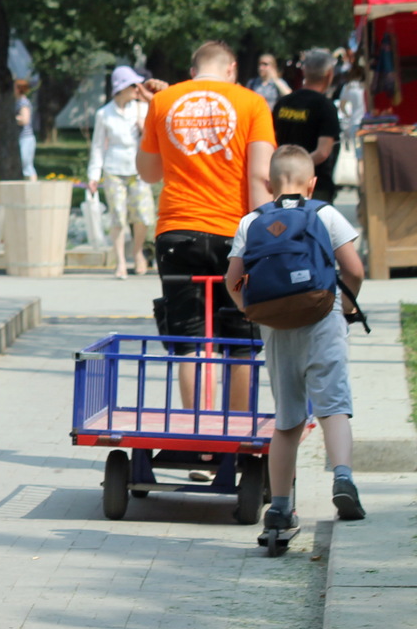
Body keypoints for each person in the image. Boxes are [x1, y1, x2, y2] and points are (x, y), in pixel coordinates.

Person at [224, 145, 366, 528]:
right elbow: (354, 269)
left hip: (275, 325)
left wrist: (250, 309)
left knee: (288, 420)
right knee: (333, 406)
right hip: (323, 317)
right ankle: (343, 478)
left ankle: (281, 507)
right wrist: (347, 306)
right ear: (313, 182)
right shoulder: (325, 213)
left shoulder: (251, 221)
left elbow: (232, 280)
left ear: (268, 184)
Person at [138, 40, 275, 410]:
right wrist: (263, 238)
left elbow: (148, 173)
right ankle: (234, 441)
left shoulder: (164, 103)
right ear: (231, 68)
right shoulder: (252, 103)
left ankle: (199, 441)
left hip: (177, 231)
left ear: (193, 70)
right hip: (235, 232)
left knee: (190, 341)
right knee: (242, 339)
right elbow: (261, 177)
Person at [87, 66, 156, 278]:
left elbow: (156, 136)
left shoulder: (143, 109)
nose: (137, 89)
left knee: (143, 216)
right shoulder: (104, 114)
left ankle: (137, 254)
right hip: (114, 168)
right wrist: (93, 174)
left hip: (138, 168)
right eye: (133, 85)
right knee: (117, 216)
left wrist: (144, 128)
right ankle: (120, 262)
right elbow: (98, 146)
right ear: (121, 87)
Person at [273, 48, 342, 206]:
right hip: (315, 186)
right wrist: (297, 169)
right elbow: (323, 152)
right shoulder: (325, 107)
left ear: (304, 71)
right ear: (329, 74)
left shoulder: (284, 103)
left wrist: (284, 169)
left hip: (281, 183)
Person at [14, 78, 38, 180]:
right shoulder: (18, 102)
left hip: (26, 138)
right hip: (22, 138)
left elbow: (25, 120)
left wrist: (13, 119)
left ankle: (33, 187)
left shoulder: (23, 102)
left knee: (27, 166)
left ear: (19, 89)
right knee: (25, 166)